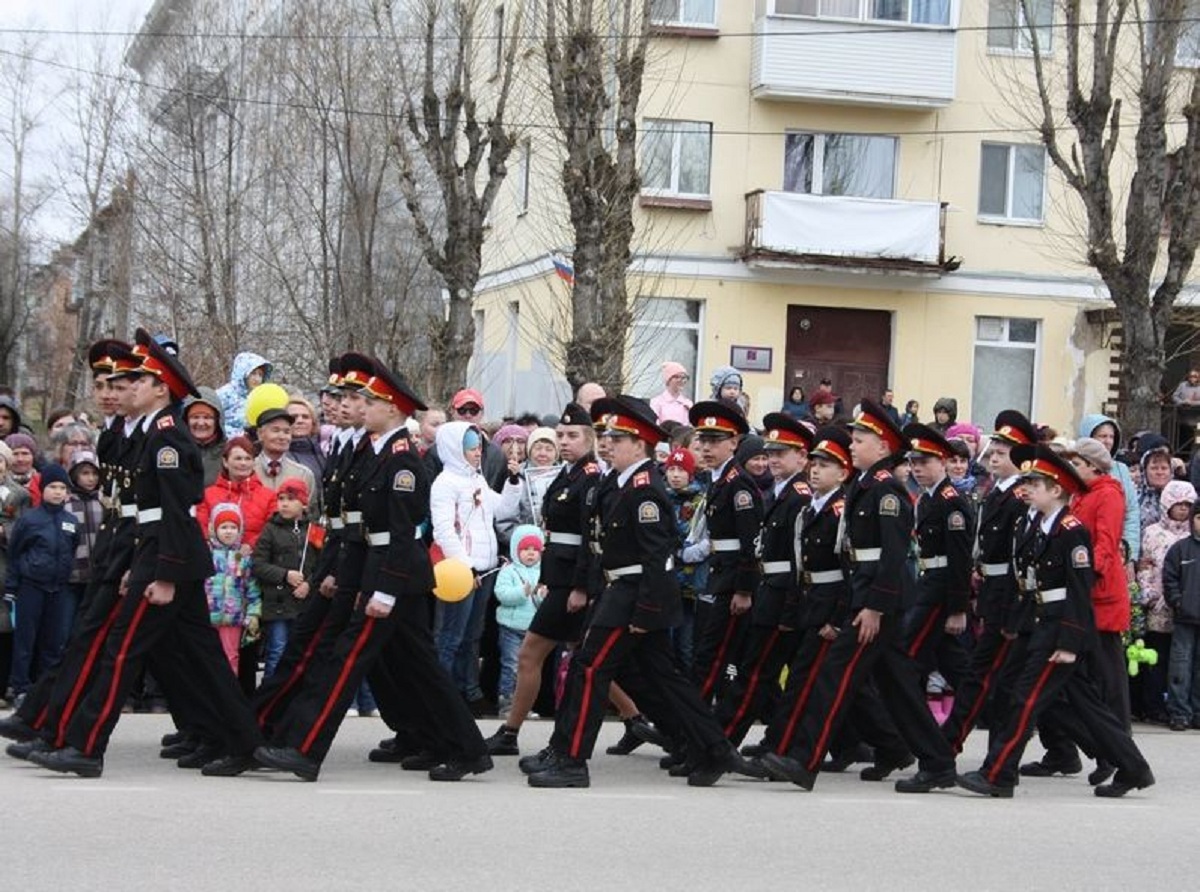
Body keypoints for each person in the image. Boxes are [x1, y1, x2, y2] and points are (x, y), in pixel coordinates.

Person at [30, 329, 264, 778]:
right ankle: (242, 741)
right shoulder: (151, 434)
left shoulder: (168, 439)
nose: (127, 387)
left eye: (138, 380)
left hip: (165, 560)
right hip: (156, 556)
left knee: (121, 652)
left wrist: (162, 573)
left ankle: (84, 746)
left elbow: (175, 512)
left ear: (161, 388)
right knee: (204, 659)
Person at [254, 362, 491, 782]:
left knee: (346, 662)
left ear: (393, 409)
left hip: (393, 576)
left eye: (367, 400)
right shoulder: (373, 450)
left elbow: (400, 534)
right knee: (419, 668)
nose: (358, 406)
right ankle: (460, 747)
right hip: (376, 571)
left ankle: (306, 750)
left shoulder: (402, 461)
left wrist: (384, 590)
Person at [523, 395, 737, 788]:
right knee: (661, 679)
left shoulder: (645, 490)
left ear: (639, 444)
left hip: (635, 593)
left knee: (590, 669)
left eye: (617, 438)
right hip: (617, 588)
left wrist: (645, 610)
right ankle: (712, 749)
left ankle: (572, 760)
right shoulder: (617, 483)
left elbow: (659, 558)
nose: (607, 443)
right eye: (604, 435)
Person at [758, 400, 958, 793]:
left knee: (835, 676)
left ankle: (804, 760)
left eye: (861, 438)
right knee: (898, 687)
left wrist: (873, 607)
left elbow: (892, 556)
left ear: (883, 447)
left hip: (876, 604)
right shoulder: (864, 487)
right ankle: (937, 762)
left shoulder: (886, 492)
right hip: (866, 598)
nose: (852, 444)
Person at [957, 444, 1154, 799]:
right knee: (1088, 706)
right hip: (1038, 624)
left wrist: (1068, 642)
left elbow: (1078, 593)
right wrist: (1015, 625)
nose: (1028, 488)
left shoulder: (1071, 530)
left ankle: (998, 774)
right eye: (1029, 481)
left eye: (1037, 483)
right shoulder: (1038, 525)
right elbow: (1028, 584)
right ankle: (1133, 768)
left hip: (1059, 629)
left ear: (1057, 490)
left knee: (1025, 699)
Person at [941, 410, 1038, 754]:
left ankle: (951, 745)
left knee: (986, 675)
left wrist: (1012, 607)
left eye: (1002, 453)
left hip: (1008, 596)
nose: (994, 458)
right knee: (1000, 678)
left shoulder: (1019, 499)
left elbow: (1020, 558)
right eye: (992, 452)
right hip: (994, 591)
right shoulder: (996, 492)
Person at [713, 413, 812, 747]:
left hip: (783, 597)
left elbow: (800, 560)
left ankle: (723, 742)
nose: (772, 460)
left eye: (781, 453)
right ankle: (867, 742)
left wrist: (789, 609)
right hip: (772, 591)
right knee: (772, 673)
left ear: (802, 457)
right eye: (770, 453)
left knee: (757, 673)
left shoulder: (799, 496)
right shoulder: (780, 492)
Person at [430, 420, 518, 712]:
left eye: (479, 446)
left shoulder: (476, 479)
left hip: (486, 567)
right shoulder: (445, 483)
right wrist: (465, 566)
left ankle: (468, 691)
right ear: (455, 449)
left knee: (472, 635)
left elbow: (502, 508)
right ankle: (440, 695)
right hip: (462, 570)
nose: (477, 452)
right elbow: (443, 530)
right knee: (450, 636)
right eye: (470, 448)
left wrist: (513, 482)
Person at [687, 400, 763, 703]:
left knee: (714, 657)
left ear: (734, 442)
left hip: (733, 582)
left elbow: (750, 543)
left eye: (715, 441)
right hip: (720, 576)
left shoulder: (739, 485)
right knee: (707, 654)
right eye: (702, 440)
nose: (706, 447)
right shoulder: (718, 480)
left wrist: (744, 590)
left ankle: (699, 734)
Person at [900, 423, 973, 694]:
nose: (917, 468)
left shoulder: (951, 501)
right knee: (950, 659)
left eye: (924, 462)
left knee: (909, 649)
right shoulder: (927, 499)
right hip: (929, 580)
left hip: (941, 588)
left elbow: (960, 558)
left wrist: (958, 608)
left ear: (941, 462)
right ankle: (981, 707)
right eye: (913, 463)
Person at [3, 463, 78, 709]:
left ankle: (49, 686)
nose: (57, 492)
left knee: (54, 640)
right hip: (31, 586)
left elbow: (72, 548)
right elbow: (15, 553)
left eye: (62, 488)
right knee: (26, 640)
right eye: (52, 487)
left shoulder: (70, 521)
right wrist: (13, 587)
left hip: (58, 587)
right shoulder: (30, 520)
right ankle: (21, 686)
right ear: (42, 489)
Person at [1136, 480, 1195, 726]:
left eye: (1187, 505)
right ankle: (1154, 706)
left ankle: (1182, 705)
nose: (1182, 510)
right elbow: (1145, 565)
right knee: (1156, 658)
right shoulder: (1153, 532)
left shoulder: (1194, 534)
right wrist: (1148, 593)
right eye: (1177, 504)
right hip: (1159, 606)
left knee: (1182, 659)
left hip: (1188, 609)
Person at [251, 478, 317, 680]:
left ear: (304, 503)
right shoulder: (270, 529)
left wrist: (309, 583)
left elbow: (323, 564)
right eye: (281, 499)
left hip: (304, 603)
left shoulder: (314, 530)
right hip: (278, 603)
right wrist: (285, 575)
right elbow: (258, 564)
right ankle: (270, 696)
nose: (285, 504)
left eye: (291, 499)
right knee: (277, 651)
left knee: (302, 652)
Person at [663, 446, 708, 673]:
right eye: (671, 469)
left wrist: (683, 552)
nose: (675, 475)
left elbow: (707, 539)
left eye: (681, 470)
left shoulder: (702, 499)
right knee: (666, 644)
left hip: (692, 581)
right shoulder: (660, 497)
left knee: (686, 644)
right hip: (666, 580)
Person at [203, 502, 262, 674]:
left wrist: (253, 614)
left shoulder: (243, 558)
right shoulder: (206, 555)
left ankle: (227, 695)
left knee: (231, 657)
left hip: (233, 618)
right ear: (214, 529)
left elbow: (252, 589)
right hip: (207, 617)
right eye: (223, 527)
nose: (228, 531)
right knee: (206, 657)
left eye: (233, 527)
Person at [493, 525, 544, 718]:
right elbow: (502, 594)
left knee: (528, 668)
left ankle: (523, 705)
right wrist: (522, 592)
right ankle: (506, 703)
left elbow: (539, 602)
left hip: (533, 628)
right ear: (516, 549)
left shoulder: (542, 571)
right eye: (525, 549)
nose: (530, 554)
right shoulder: (509, 571)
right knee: (511, 665)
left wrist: (541, 596)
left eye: (535, 550)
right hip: (511, 627)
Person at [1077, 413, 1140, 565]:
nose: (1108, 441)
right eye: (1102, 436)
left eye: (1111, 437)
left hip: (1116, 548)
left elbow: (1131, 512)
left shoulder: (1121, 469)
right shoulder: (1078, 468)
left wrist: (1129, 550)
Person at [195, 436, 276, 549]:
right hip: (215, 560)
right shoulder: (207, 495)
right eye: (238, 458)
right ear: (225, 462)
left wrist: (251, 545)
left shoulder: (270, 496)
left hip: (256, 559)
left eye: (248, 459)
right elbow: (200, 527)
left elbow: (272, 530)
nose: (243, 463)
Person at [1163, 502, 1200, 730]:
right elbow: (1169, 579)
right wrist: (1178, 602)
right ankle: (1179, 712)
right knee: (1180, 666)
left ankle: (1197, 711)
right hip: (1185, 618)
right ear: (1192, 520)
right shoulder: (1180, 549)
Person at [64, 451, 104, 639]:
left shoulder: (104, 502)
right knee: (67, 626)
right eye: (85, 473)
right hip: (71, 578)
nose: (91, 479)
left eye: (95, 474)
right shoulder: (66, 504)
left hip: (98, 576)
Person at [252, 406, 316, 499]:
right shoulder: (247, 471)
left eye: (287, 432)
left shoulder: (303, 474)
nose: (282, 437)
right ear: (260, 434)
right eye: (275, 430)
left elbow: (311, 511)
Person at [216, 350, 272, 438]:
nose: (257, 379)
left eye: (260, 375)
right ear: (242, 373)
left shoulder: (258, 398)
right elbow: (214, 421)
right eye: (253, 373)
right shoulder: (225, 394)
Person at [184, 387, 226, 486]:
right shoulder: (176, 450)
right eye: (195, 417)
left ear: (217, 421)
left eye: (207, 417)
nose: (201, 423)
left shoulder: (228, 453)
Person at [284, 396, 326, 486]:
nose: (300, 421)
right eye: (294, 417)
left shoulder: (325, 451)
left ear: (313, 422)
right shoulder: (278, 455)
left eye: (305, 417)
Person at [650, 361, 693, 425]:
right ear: (668, 380)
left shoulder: (688, 404)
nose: (681, 380)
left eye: (684, 377)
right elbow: (655, 426)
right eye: (677, 377)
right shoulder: (656, 402)